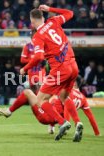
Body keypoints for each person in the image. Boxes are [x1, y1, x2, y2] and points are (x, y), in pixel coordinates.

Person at [19, 5, 83, 142]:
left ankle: (62, 122)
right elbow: (70, 12)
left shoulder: (38, 36)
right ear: (43, 17)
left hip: (60, 69)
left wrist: (25, 68)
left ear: (32, 21)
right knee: (64, 96)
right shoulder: (54, 21)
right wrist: (50, 8)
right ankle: (78, 122)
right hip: (73, 65)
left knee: (40, 100)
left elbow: (38, 57)